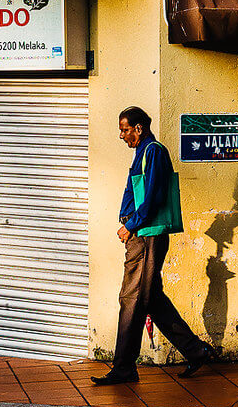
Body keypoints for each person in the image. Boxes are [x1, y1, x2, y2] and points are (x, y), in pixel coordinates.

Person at [92, 106, 216, 386]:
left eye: (125, 129)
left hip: (146, 235)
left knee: (131, 300)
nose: (122, 135)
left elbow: (153, 197)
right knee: (152, 299)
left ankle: (123, 368)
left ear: (139, 128)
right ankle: (197, 352)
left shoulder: (153, 151)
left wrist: (131, 225)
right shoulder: (143, 153)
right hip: (142, 234)